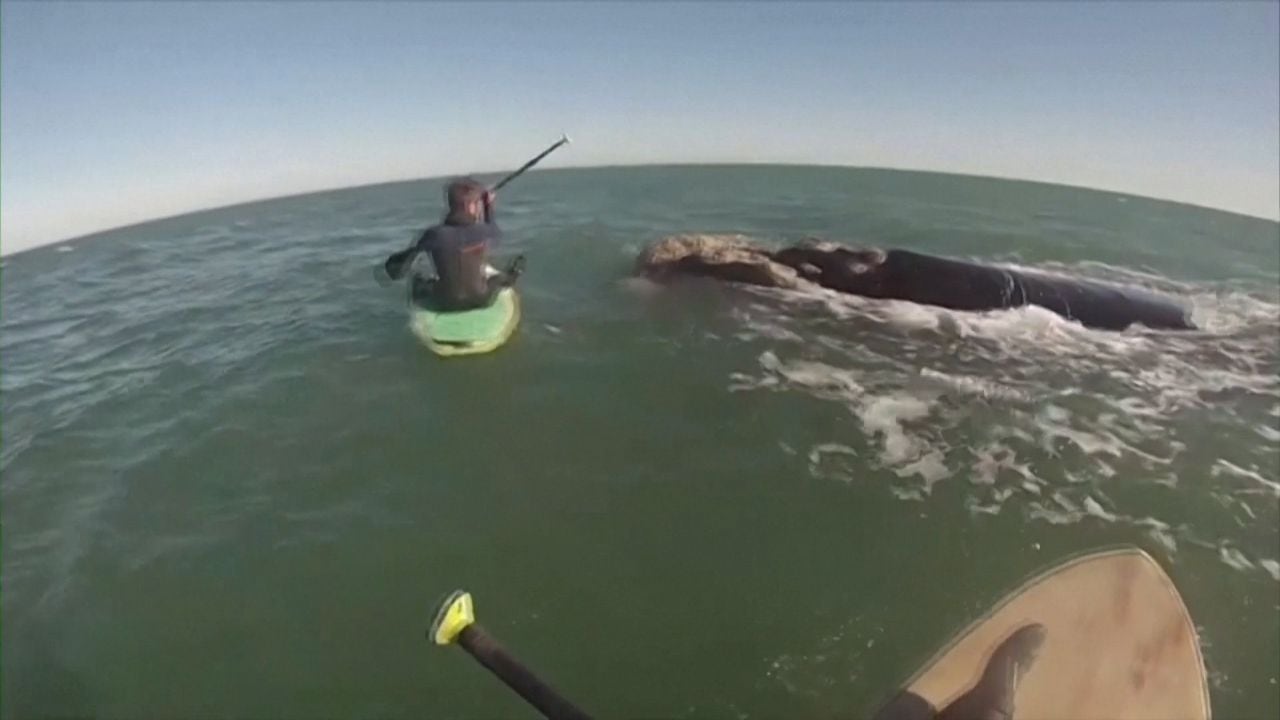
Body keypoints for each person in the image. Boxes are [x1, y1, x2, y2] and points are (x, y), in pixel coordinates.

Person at [403, 177, 524, 311]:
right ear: (470, 206)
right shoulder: (484, 231)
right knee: (497, 280)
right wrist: (488, 207)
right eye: (476, 203)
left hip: (444, 302)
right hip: (481, 300)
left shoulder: (433, 234)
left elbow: (408, 259)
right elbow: (496, 234)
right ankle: (514, 274)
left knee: (419, 281)